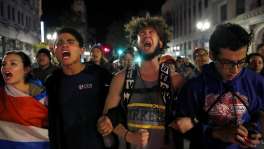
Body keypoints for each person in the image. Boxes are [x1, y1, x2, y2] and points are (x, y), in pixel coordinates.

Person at [97, 16, 185, 149]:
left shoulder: (176, 80)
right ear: (136, 43)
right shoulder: (121, 78)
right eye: (142, 33)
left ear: (160, 43)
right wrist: (128, 136)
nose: (146, 35)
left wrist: (188, 121)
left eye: (151, 32)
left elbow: (193, 118)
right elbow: (107, 119)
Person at [173, 23, 264, 149]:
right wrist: (216, 133)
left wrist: (255, 129)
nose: (235, 70)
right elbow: (180, 126)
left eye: (241, 62)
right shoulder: (195, 85)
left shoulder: (256, 81)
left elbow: (259, 113)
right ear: (212, 55)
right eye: (227, 63)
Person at [45, 28, 112, 149]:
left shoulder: (100, 75)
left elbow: (117, 103)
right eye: (59, 43)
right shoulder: (52, 81)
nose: (64, 45)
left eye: (70, 42)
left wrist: (110, 118)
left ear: (82, 50)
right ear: (54, 52)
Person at [0, 51, 49, 149]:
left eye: (13, 63)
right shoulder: (1, 94)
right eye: (3, 64)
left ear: (26, 69)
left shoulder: (42, 96)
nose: (6, 67)